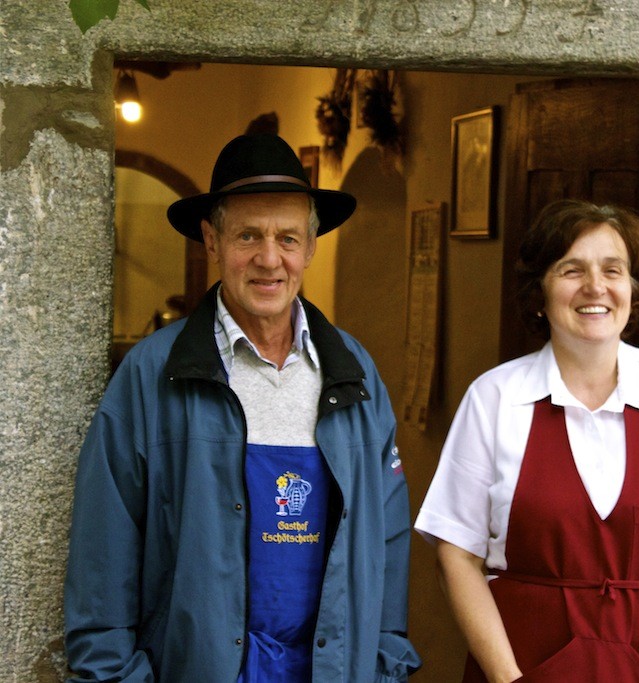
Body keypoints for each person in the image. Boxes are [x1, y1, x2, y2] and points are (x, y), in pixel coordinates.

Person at [64, 134, 421, 682]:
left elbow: (389, 538)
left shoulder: (354, 372)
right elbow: (103, 551)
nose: (269, 259)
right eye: (248, 236)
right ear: (211, 239)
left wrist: (385, 664)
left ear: (313, 244)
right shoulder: (152, 374)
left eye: (288, 237)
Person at [415, 199, 639, 683]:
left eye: (613, 270)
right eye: (571, 270)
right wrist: (507, 678)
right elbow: (456, 554)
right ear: (539, 291)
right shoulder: (494, 398)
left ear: (631, 288)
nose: (595, 287)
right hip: (526, 672)